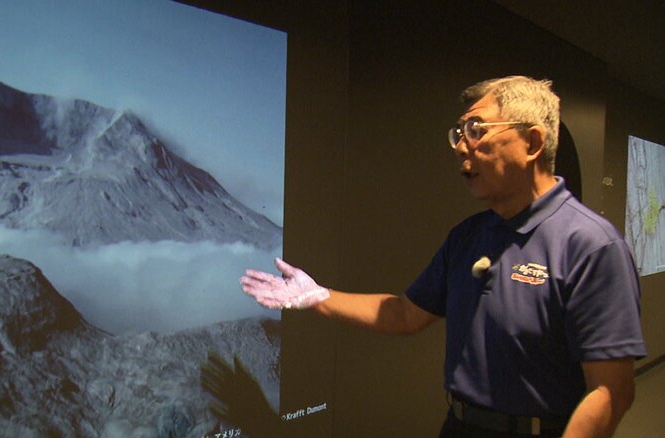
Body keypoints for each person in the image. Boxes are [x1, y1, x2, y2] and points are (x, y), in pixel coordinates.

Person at [240, 76, 647, 437]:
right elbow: (403, 314)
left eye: (476, 129)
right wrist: (317, 296)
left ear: (533, 143)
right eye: (458, 132)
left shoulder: (591, 244)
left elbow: (611, 390)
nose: (461, 147)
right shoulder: (468, 236)